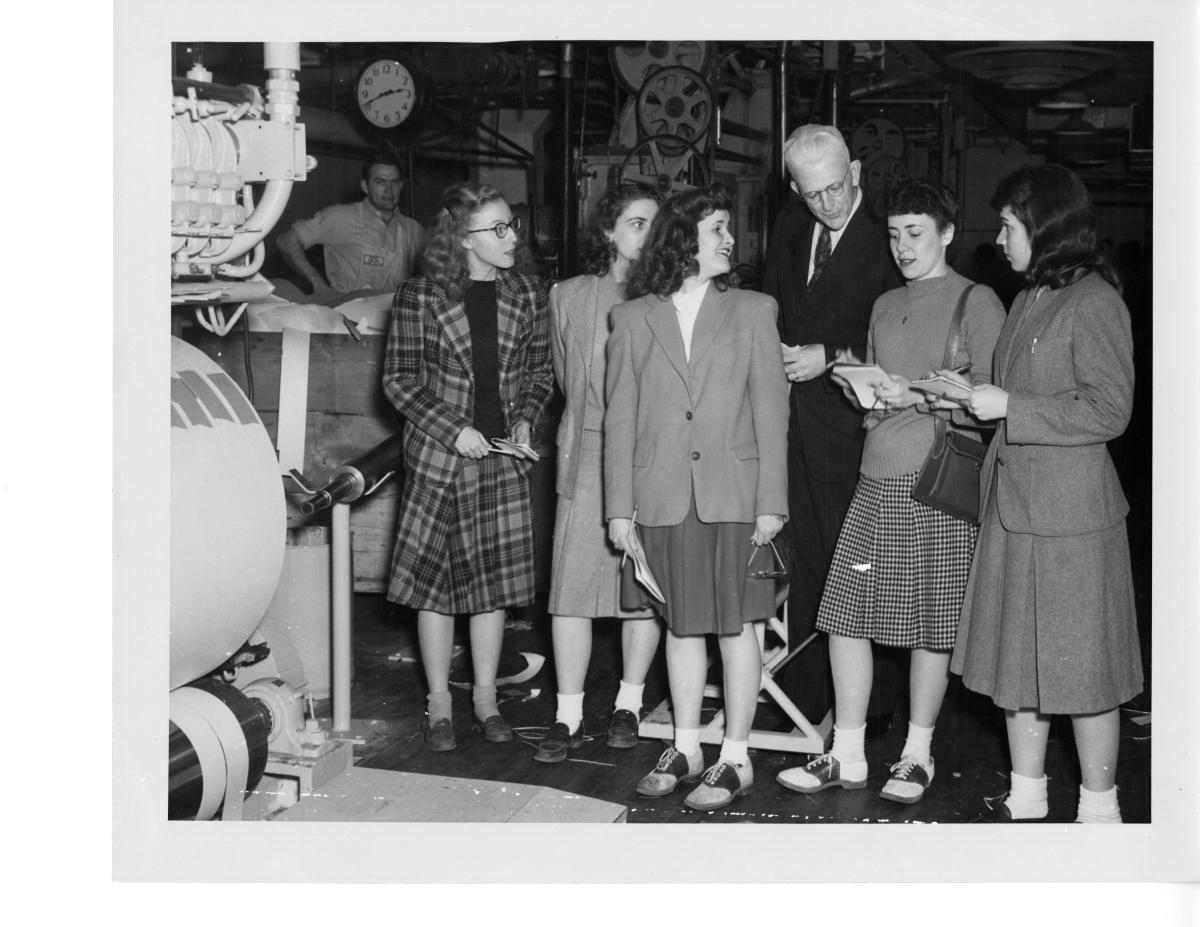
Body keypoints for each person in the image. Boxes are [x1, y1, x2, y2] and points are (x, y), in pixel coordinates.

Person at [775, 178, 1004, 804]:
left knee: (931, 623)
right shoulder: (882, 305)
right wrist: (867, 392)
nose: (903, 246)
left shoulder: (976, 302)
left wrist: (918, 394)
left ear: (948, 234)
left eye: (917, 234)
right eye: (895, 234)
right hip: (874, 476)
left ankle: (915, 754)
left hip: (934, 482)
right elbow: (882, 401)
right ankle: (846, 752)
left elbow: (990, 405)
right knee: (844, 613)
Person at [950, 164, 1142, 823]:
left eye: (1008, 224)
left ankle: (1099, 809)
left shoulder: (1094, 300)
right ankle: (1026, 798)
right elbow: (1017, 395)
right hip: (1016, 508)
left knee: (1085, 672)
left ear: (1045, 224)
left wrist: (1012, 404)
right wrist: (966, 400)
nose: (999, 238)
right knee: (1018, 667)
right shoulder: (1031, 294)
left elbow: (1110, 409)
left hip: (1072, 519)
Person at [605, 184, 789, 811]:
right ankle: (686, 747)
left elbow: (771, 410)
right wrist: (618, 508)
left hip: (734, 494)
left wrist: (772, 499)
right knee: (681, 627)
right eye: (717, 228)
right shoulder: (630, 319)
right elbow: (620, 418)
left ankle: (735, 757)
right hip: (661, 496)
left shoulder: (754, 310)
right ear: (684, 238)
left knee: (738, 628)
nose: (729, 240)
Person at [381, 181, 554, 752]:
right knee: (435, 590)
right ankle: (438, 705)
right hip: (438, 457)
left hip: (502, 460)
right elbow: (399, 380)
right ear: (463, 238)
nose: (512, 237)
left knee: (492, 589)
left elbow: (538, 373)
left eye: (512, 226)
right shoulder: (419, 296)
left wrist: (525, 419)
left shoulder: (528, 293)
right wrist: (455, 430)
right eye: (498, 229)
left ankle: (484, 698)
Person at [763, 124, 904, 733]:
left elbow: (903, 340)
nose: (830, 202)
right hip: (794, 431)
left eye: (838, 186)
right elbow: (771, 312)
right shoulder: (791, 229)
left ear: (856, 173)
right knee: (806, 564)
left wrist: (833, 355)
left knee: (864, 570)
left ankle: (872, 706)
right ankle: (807, 691)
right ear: (795, 188)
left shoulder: (889, 239)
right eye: (814, 192)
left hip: (858, 434)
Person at [534, 184, 664, 763]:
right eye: (637, 223)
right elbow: (566, 378)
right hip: (586, 456)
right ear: (608, 231)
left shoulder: (670, 297)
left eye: (655, 226)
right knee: (571, 593)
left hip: (650, 457)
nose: (649, 235)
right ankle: (566, 715)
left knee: (642, 591)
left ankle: (628, 705)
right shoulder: (569, 295)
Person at [278, 154, 425, 302]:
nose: (389, 189)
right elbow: (287, 240)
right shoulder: (340, 217)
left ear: (401, 186)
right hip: (346, 315)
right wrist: (318, 283)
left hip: (393, 316)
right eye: (380, 182)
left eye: (394, 182)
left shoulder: (414, 230)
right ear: (365, 186)